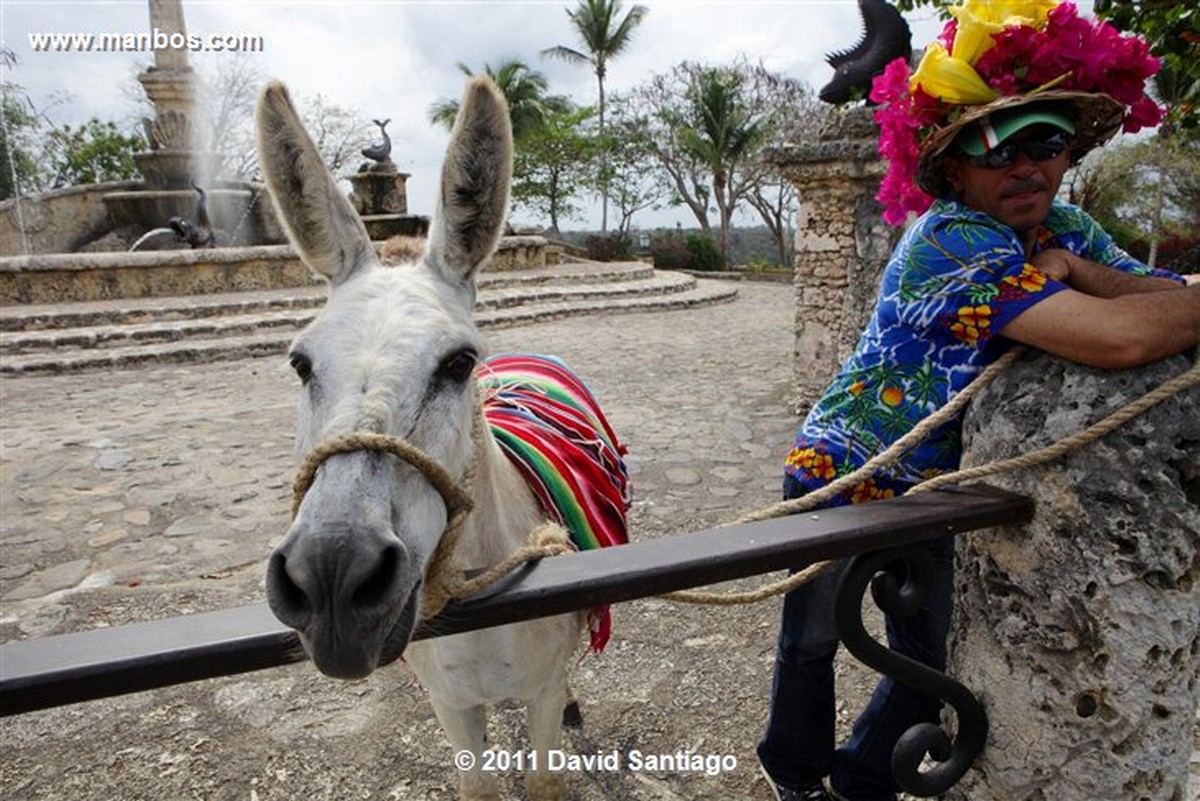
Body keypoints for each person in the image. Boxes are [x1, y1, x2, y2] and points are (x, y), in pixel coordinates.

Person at [757, 3, 1200, 800]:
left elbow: (1157, 296)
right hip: (843, 471)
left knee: (930, 666)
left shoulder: (1061, 225)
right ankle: (793, 774)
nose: (1027, 165)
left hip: (934, 492)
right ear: (955, 167)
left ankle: (857, 782)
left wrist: (1076, 265)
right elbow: (1126, 338)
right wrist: (1103, 291)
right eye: (1000, 145)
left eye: (1048, 142)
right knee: (813, 641)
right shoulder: (951, 238)